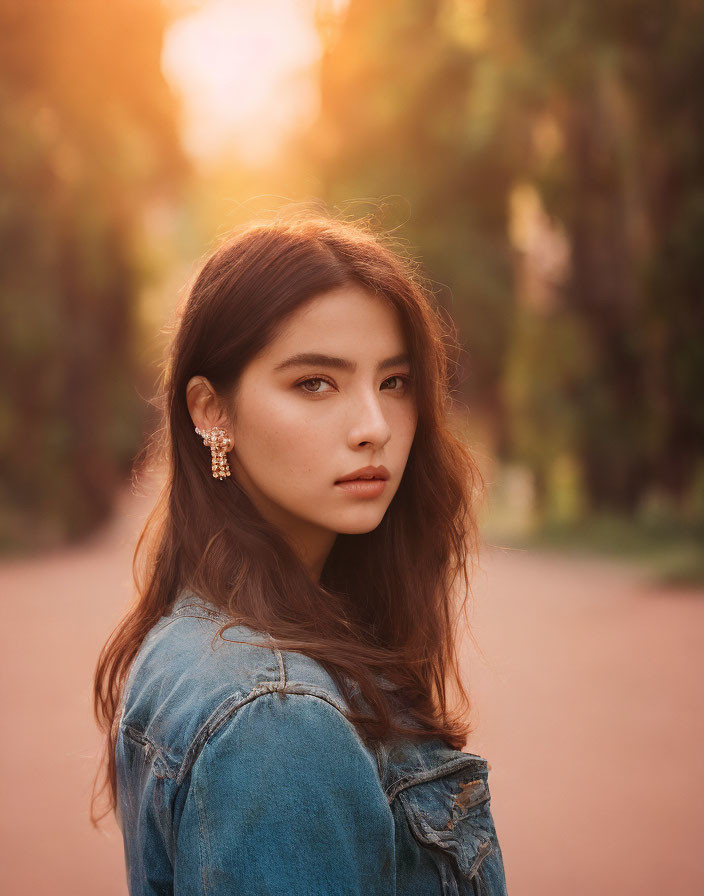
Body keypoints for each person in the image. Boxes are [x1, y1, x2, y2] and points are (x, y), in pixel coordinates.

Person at [92, 210, 509, 895]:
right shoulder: (274, 722)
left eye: (394, 382)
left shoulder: (195, 638)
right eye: (315, 383)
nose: (374, 427)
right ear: (211, 412)